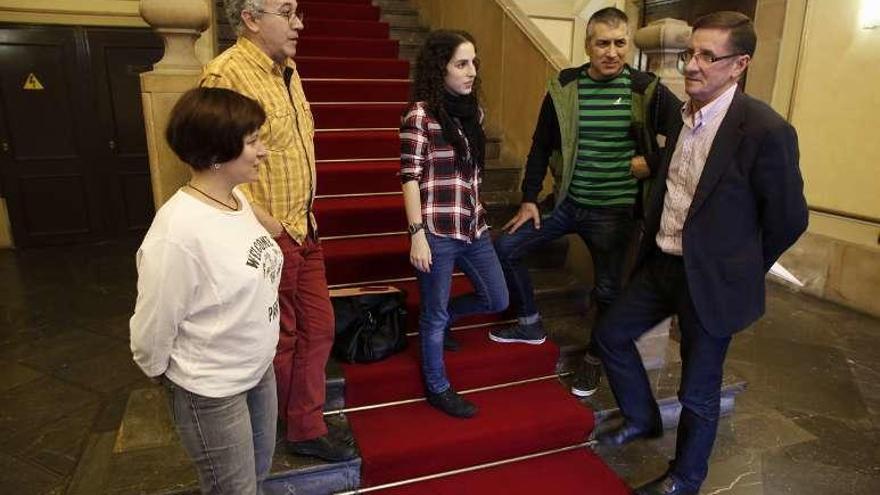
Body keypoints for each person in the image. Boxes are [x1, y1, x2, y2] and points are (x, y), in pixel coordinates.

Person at [593, 11, 808, 495]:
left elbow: (790, 218)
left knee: (698, 389)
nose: (692, 64)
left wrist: (740, 265)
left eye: (708, 56)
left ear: (739, 65)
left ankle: (685, 478)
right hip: (663, 263)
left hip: (711, 280)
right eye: (692, 52)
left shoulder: (764, 130)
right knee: (610, 333)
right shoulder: (684, 114)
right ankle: (642, 418)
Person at [488, 7, 681, 398]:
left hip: (616, 214)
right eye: (603, 43)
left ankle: (594, 361)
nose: (612, 52)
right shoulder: (565, 87)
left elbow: (688, 132)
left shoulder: (646, 90)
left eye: (620, 43)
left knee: (609, 292)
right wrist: (528, 199)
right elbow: (541, 146)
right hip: (566, 202)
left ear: (628, 44)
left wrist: (654, 161)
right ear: (588, 45)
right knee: (505, 246)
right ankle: (529, 322)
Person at [199, 0, 355, 462]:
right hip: (268, 234)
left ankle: (303, 423)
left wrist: (300, 222)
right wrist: (266, 225)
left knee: (320, 328)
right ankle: (296, 428)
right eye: (287, 12)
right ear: (250, 18)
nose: (299, 23)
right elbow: (212, 167)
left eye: (298, 12)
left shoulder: (287, 70)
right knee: (283, 337)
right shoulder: (225, 75)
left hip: (304, 227)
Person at [130, 87, 282, 494]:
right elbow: (153, 325)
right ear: (218, 152)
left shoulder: (237, 200)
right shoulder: (178, 232)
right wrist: (167, 375)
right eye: (252, 142)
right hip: (212, 389)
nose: (263, 151)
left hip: (257, 370)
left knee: (258, 477)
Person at [400, 29, 509, 419]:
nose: (472, 71)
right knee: (432, 316)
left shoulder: (473, 112)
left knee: (497, 298)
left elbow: (472, 175)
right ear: (439, 68)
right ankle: (438, 387)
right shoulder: (420, 115)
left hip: (473, 227)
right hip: (436, 231)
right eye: (462, 64)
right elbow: (410, 177)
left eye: (474, 63)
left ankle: (447, 319)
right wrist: (417, 236)